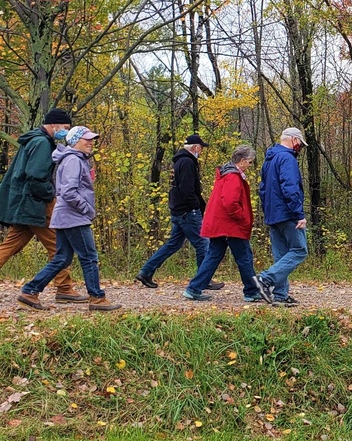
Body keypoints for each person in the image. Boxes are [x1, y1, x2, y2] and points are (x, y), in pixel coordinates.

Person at [17, 126, 120, 311]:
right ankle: (97, 298)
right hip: (74, 217)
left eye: (92, 139)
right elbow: (69, 192)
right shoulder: (73, 160)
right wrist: (87, 209)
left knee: (62, 258)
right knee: (89, 257)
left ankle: (30, 291)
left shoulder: (74, 159)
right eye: (86, 139)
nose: (90, 142)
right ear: (74, 142)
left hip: (65, 216)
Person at [0, 108, 86, 302]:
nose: (66, 132)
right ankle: (64, 288)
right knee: (58, 246)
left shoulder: (34, 140)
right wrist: (51, 196)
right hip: (36, 204)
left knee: (10, 245)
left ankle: (64, 287)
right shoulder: (41, 143)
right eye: (64, 127)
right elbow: (36, 177)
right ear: (53, 124)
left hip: (24, 203)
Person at [136, 134, 222, 290]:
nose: (201, 151)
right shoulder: (188, 163)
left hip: (177, 210)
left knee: (173, 244)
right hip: (187, 212)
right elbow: (187, 189)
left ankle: (146, 271)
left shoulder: (178, 162)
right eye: (201, 148)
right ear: (195, 147)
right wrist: (196, 206)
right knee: (203, 243)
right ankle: (204, 279)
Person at [184, 145, 262, 303]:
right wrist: (242, 218)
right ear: (241, 161)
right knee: (244, 257)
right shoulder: (233, 177)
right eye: (249, 162)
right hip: (230, 226)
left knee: (213, 256)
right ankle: (252, 291)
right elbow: (230, 202)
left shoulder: (226, 174)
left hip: (219, 224)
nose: (250, 165)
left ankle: (194, 288)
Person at [253, 127, 308, 306]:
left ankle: (280, 295)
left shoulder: (269, 160)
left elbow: (262, 189)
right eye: (299, 143)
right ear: (294, 140)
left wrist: (268, 211)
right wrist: (298, 213)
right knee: (300, 250)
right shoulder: (287, 158)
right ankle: (265, 279)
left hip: (272, 213)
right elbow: (290, 188)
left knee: (282, 255)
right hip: (287, 213)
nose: (299, 147)